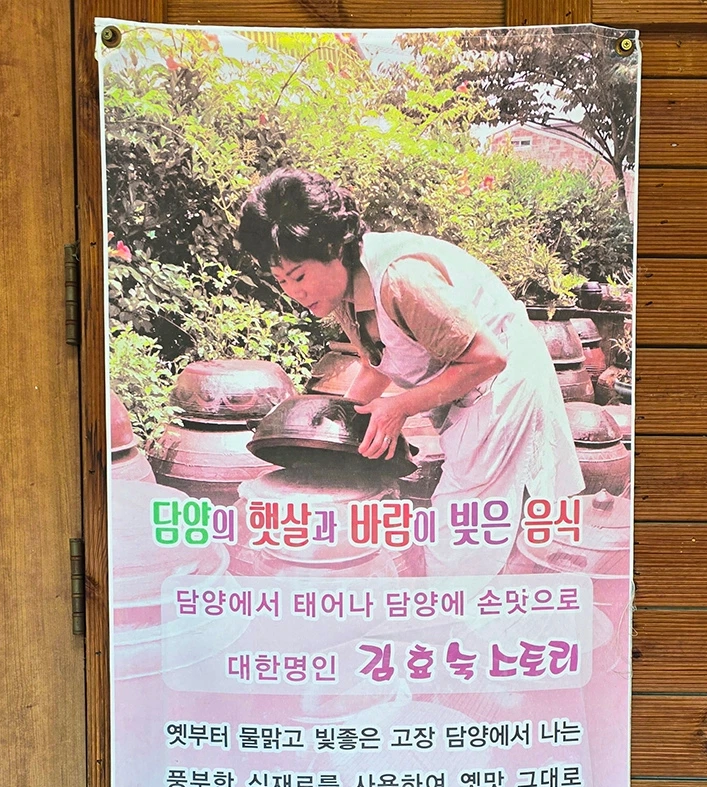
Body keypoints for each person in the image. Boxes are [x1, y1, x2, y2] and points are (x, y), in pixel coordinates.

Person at [237, 169, 583, 560]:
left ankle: (476, 596)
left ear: (332, 249)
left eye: (299, 276)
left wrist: (399, 408)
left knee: (461, 537)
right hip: (469, 387)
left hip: (503, 385)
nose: (295, 292)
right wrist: (330, 431)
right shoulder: (343, 290)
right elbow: (376, 364)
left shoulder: (401, 279)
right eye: (282, 281)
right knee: (490, 529)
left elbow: (489, 358)